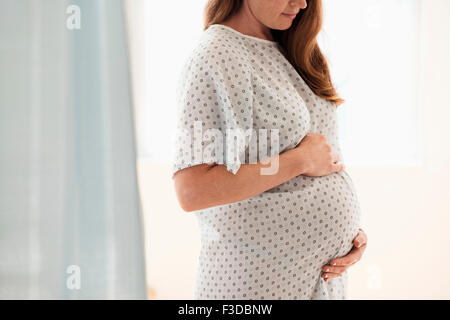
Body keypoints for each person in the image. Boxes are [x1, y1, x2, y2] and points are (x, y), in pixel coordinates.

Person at [171, 0, 367, 299]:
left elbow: (326, 158)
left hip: (320, 281)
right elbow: (193, 190)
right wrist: (298, 161)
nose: (301, 4)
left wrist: (350, 238)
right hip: (257, 284)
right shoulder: (216, 55)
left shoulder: (296, 50)